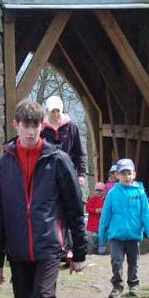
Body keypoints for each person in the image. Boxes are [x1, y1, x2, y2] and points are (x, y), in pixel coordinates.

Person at [0, 100, 88, 298]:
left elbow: (73, 206)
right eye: (26, 124)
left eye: (36, 125)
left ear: (42, 126)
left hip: (49, 245)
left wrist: (79, 251)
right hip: (18, 250)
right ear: (16, 125)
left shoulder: (57, 160)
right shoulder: (5, 163)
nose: (31, 131)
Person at [98, 158, 149, 298]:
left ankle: (133, 284)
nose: (126, 176)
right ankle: (117, 286)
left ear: (134, 174)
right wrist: (102, 234)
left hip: (133, 235)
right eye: (123, 174)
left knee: (134, 262)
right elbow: (106, 215)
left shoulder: (140, 193)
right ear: (117, 175)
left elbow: (146, 213)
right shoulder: (112, 194)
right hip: (116, 235)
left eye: (129, 173)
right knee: (116, 261)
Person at [41, 95, 88, 265]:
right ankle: (56, 245)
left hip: (68, 174)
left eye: (58, 110)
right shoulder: (42, 129)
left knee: (71, 210)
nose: (56, 114)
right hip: (48, 176)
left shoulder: (71, 127)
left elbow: (79, 153)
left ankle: (69, 247)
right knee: (53, 211)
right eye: (52, 111)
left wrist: (81, 174)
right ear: (48, 111)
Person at [85, 182, 106, 255]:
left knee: (102, 239)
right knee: (94, 239)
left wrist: (104, 211)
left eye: (101, 190)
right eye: (97, 190)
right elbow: (87, 208)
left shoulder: (106, 200)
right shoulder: (92, 199)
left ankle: (101, 253)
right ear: (95, 191)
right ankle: (94, 253)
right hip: (93, 224)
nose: (99, 192)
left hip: (103, 224)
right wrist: (96, 210)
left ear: (104, 191)